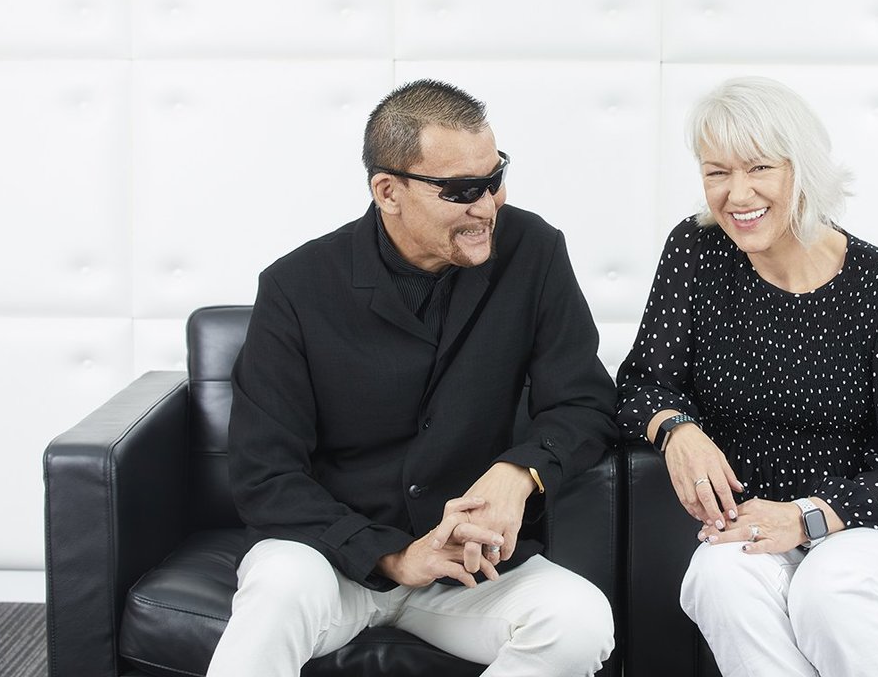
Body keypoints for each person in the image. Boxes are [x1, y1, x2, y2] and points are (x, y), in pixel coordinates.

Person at [207, 79, 618, 677]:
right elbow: (264, 474)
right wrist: (393, 556)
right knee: (277, 588)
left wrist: (520, 472)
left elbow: (584, 401)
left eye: (495, 178)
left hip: (471, 568)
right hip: (333, 561)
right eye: (461, 191)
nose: (487, 206)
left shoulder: (534, 251)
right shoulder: (295, 287)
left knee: (579, 623)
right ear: (388, 191)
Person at [616, 76, 878, 677]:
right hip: (758, 520)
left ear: (802, 170)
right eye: (717, 172)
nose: (737, 194)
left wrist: (807, 516)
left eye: (759, 168)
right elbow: (640, 382)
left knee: (828, 590)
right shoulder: (696, 250)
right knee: (716, 579)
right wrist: (677, 430)